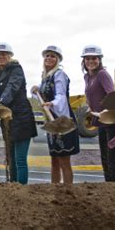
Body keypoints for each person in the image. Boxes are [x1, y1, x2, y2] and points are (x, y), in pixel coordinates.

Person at [0, 42, 37, 184]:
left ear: (9, 56)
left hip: (21, 117)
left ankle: (21, 190)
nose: (1, 56)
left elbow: (12, 87)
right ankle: (12, 187)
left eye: (4, 54)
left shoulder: (16, 69)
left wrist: (1, 103)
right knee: (11, 158)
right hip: (8, 119)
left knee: (20, 159)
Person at [32, 45, 79, 184]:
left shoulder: (59, 75)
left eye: (52, 56)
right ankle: (55, 191)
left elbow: (61, 95)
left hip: (64, 122)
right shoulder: (46, 77)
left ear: (58, 59)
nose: (49, 58)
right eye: (47, 55)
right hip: (52, 123)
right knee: (54, 161)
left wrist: (52, 103)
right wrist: (36, 90)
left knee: (64, 161)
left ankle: (68, 192)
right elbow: (42, 96)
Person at [82, 44, 115, 182]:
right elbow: (92, 96)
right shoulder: (87, 77)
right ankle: (109, 190)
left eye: (94, 58)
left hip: (112, 122)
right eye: (87, 58)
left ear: (99, 59)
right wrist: (91, 108)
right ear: (83, 61)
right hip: (101, 123)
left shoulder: (102, 74)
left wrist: (105, 110)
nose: (91, 61)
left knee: (113, 161)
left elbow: (112, 96)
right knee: (105, 160)